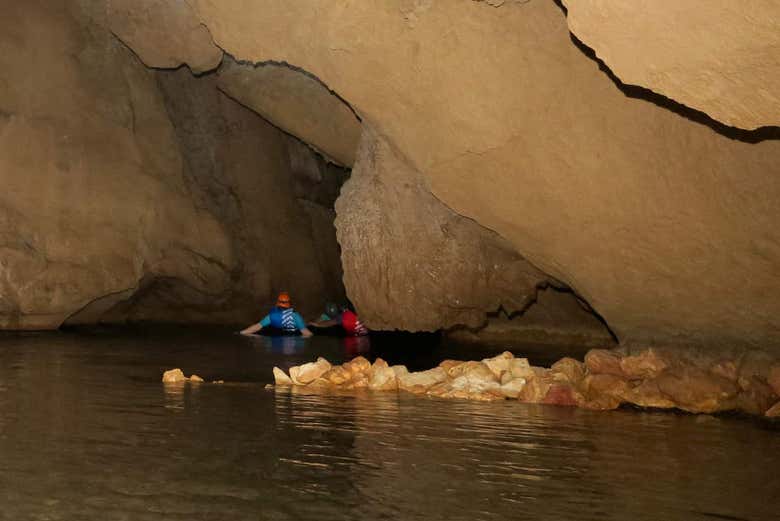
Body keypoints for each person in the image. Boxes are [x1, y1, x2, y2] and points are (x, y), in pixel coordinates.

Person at [240, 292, 313, 337]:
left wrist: (241, 332)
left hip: (275, 339)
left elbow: (256, 327)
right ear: (289, 304)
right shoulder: (295, 316)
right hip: (292, 337)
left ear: (277, 303)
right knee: (309, 326)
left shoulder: (271, 316)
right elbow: (307, 333)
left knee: (265, 329)